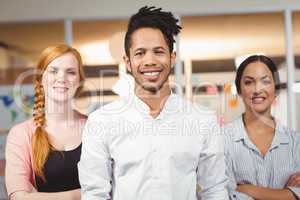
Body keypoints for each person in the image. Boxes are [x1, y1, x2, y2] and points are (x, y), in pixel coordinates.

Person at [78, 6, 228, 200]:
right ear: (127, 62)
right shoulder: (101, 122)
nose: (150, 61)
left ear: (172, 58)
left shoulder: (202, 120)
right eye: (140, 53)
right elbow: (94, 194)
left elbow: (215, 190)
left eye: (159, 51)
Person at [5, 44, 87, 200]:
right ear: (40, 79)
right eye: (53, 71)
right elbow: (19, 197)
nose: (61, 78)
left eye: (70, 72)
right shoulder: (21, 134)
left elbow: (112, 188)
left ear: (79, 81)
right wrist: (80, 195)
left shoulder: (95, 127)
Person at [224, 55, 300, 200]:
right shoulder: (222, 140)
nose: (257, 89)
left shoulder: (295, 142)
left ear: (275, 88)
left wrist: (247, 189)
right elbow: (224, 195)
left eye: (265, 81)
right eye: (249, 82)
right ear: (239, 90)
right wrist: (287, 194)